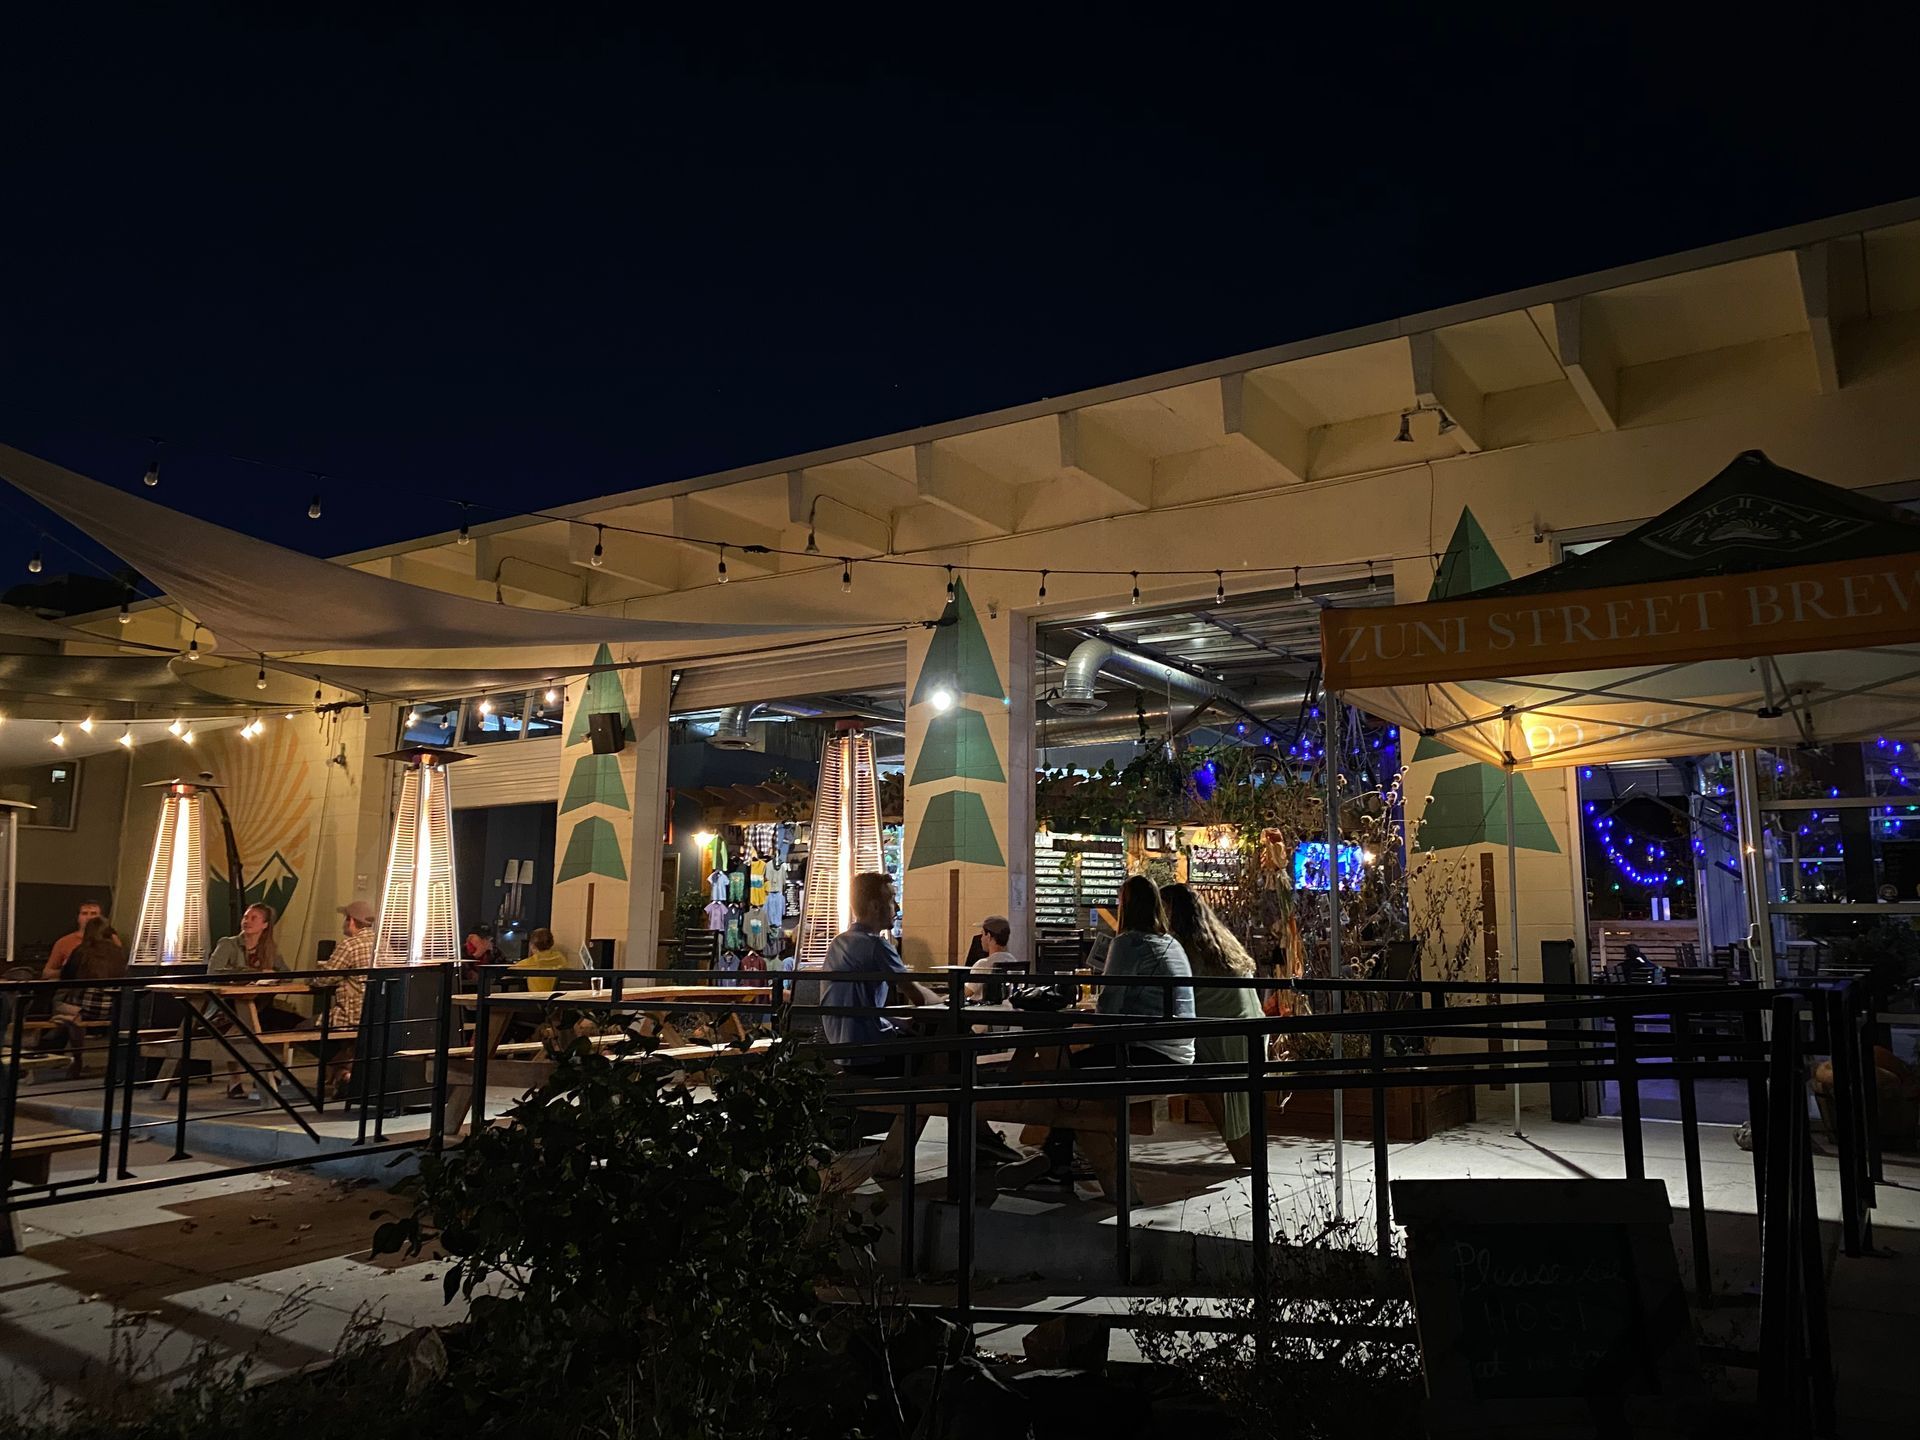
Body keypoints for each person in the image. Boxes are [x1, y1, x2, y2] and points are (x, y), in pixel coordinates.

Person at [1042, 877, 1194, 1184]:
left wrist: (1084, 1018)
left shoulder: (1129, 943)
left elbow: (1108, 1010)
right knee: (1074, 1063)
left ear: (1125, 905)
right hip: (1180, 1053)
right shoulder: (1170, 943)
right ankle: (1060, 1153)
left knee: (1064, 1067)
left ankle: (1061, 1156)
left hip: (1151, 1054)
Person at [1161, 883, 1261, 1163]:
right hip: (1249, 1033)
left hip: (1221, 1041)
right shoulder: (1221, 940)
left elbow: (1171, 998)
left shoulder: (1181, 948)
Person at [208, 903, 302, 1099]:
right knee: (241, 1026)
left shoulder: (269, 949)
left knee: (289, 1022)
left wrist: (273, 976)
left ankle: (271, 1075)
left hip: (259, 1005)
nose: (247, 921)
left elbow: (287, 974)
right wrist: (253, 973)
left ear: (265, 925)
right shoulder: (228, 944)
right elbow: (213, 972)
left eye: (254, 918)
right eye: (246, 917)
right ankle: (241, 1080)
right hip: (227, 1006)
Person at [50, 916, 129, 1074]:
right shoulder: (119, 953)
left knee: (57, 1003)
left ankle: (64, 1050)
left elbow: (67, 977)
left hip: (86, 1009)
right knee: (69, 1009)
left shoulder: (81, 951)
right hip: (113, 1009)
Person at [316, 900, 377, 1098]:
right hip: (376, 1016)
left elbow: (323, 980)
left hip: (352, 1016)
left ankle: (345, 1072)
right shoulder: (383, 944)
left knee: (303, 1029)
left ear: (351, 921)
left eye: (345, 918)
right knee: (348, 1042)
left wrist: (319, 969)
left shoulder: (350, 945)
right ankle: (346, 1074)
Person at [41, 900, 108, 981]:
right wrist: (68, 972)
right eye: (84, 913)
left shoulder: (111, 941)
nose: (88, 917)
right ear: (78, 918)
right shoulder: (63, 942)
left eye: (93, 914)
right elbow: (46, 973)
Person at [509, 927, 581, 994]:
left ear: (532, 945)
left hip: (537, 999)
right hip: (555, 999)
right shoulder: (560, 957)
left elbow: (508, 971)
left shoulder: (531, 962)